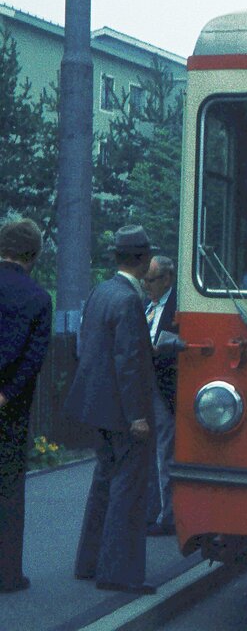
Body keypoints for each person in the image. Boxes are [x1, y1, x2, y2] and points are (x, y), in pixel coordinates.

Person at [64, 224, 159, 595]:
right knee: (128, 489)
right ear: (144, 260)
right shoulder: (129, 301)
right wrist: (137, 415)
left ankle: (88, 563)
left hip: (96, 406)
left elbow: (91, 348)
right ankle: (118, 573)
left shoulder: (101, 292)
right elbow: (128, 362)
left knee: (103, 482)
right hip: (123, 411)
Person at [0, 218, 52, 594]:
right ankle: (7, 575)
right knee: (8, 490)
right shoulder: (38, 298)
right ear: (32, 255)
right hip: (11, 410)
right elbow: (33, 358)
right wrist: (6, 394)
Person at [143, 255, 183, 536]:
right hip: (147, 384)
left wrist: (160, 350)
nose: (146, 286)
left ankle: (167, 515)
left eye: (151, 280)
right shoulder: (148, 305)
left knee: (164, 450)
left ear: (167, 279)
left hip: (166, 387)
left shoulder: (179, 304)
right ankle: (153, 509)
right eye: (144, 281)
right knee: (151, 450)